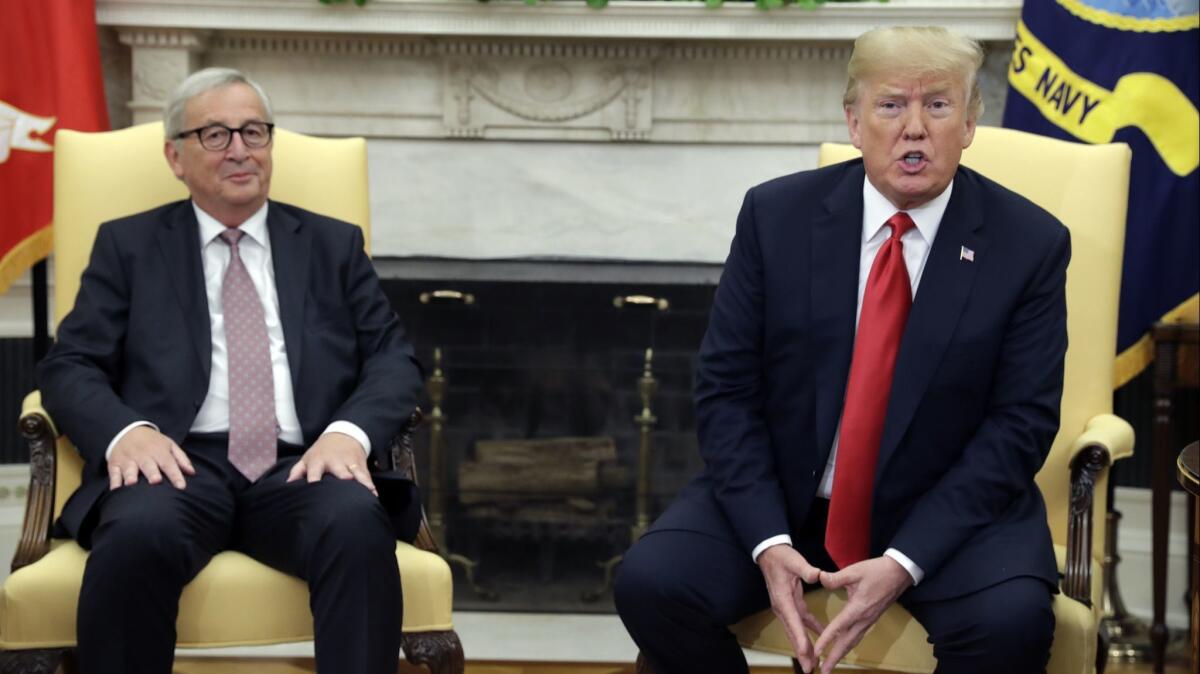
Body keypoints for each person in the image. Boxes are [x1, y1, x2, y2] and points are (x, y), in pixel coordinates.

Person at [614, 26, 1067, 674]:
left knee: (1010, 626)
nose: (915, 128)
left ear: (970, 123)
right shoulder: (776, 217)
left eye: (937, 106)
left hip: (945, 508)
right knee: (653, 584)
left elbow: (1019, 424)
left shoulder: (1029, 245)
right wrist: (768, 540)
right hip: (791, 498)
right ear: (854, 122)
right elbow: (726, 388)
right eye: (891, 106)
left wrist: (905, 561)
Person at [37, 67, 423, 674]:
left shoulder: (332, 245)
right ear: (176, 156)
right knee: (137, 532)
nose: (240, 150)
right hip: (177, 463)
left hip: (304, 463)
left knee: (355, 522)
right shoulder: (130, 246)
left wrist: (348, 434)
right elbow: (70, 364)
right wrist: (124, 433)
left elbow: (394, 359)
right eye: (216, 135)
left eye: (254, 132)